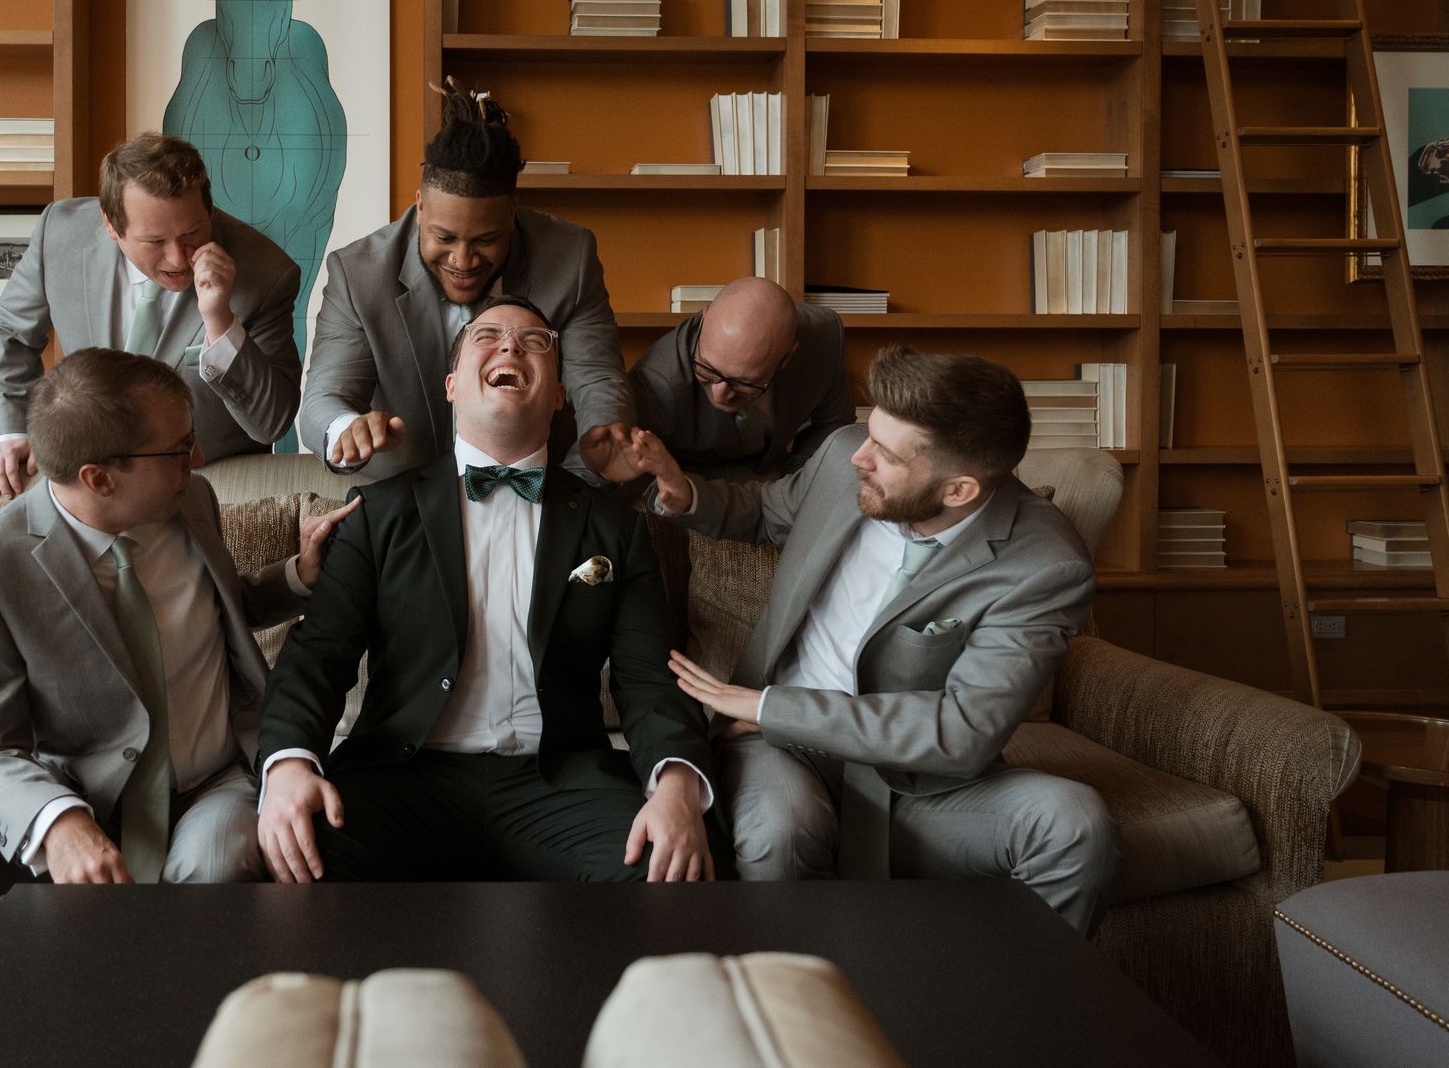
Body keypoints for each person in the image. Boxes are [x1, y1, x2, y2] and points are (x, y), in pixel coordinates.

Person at [0, 348, 355, 969]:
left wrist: (295, 577)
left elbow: (218, 605)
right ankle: (19, 1023)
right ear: (100, 477)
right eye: (180, 448)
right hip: (81, 788)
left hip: (209, 782)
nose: (199, 459)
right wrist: (57, 822)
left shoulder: (192, 502)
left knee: (214, 869)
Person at [627, 344, 1117, 932]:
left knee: (1075, 825)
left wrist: (768, 706)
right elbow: (768, 511)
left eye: (884, 454)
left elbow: (960, 733)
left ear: (958, 490)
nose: (858, 456)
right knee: (781, 832)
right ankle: (793, 1012)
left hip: (916, 786)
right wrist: (684, 492)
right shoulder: (843, 455)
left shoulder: (1044, 565)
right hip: (783, 752)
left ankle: (1014, 1013)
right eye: (869, 431)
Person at [258, 296, 718, 884]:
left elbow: (651, 676)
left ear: (558, 393)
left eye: (535, 342)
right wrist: (289, 765)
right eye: (489, 335)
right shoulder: (377, 515)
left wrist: (677, 785)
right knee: (301, 856)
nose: (510, 346)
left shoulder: (616, 529)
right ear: (451, 385)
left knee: (667, 868)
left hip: (559, 781)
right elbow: (317, 657)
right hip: (404, 777)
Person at [297, 81, 633, 482]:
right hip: (406, 501)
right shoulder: (358, 274)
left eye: (485, 241)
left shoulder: (571, 259)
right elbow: (324, 400)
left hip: (542, 490)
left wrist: (586, 476)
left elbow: (598, 381)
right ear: (420, 206)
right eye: (444, 238)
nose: (462, 260)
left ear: (512, 213)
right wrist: (346, 430)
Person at [0, 131, 303, 497]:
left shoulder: (267, 272)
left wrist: (219, 320)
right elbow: (10, 332)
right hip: (87, 481)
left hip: (202, 485)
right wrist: (12, 431)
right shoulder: (60, 233)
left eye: (192, 232)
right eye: (155, 242)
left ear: (208, 209)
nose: (179, 259)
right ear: (111, 225)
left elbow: (271, 422)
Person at [627, 276, 852, 480]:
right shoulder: (654, 383)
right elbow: (639, 477)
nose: (720, 393)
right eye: (706, 370)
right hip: (697, 484)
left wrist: (795, 482)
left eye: (744, 383)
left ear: (787, 357)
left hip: (779, 476)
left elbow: (834, 425)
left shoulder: (824, 338)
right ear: (705, 319)